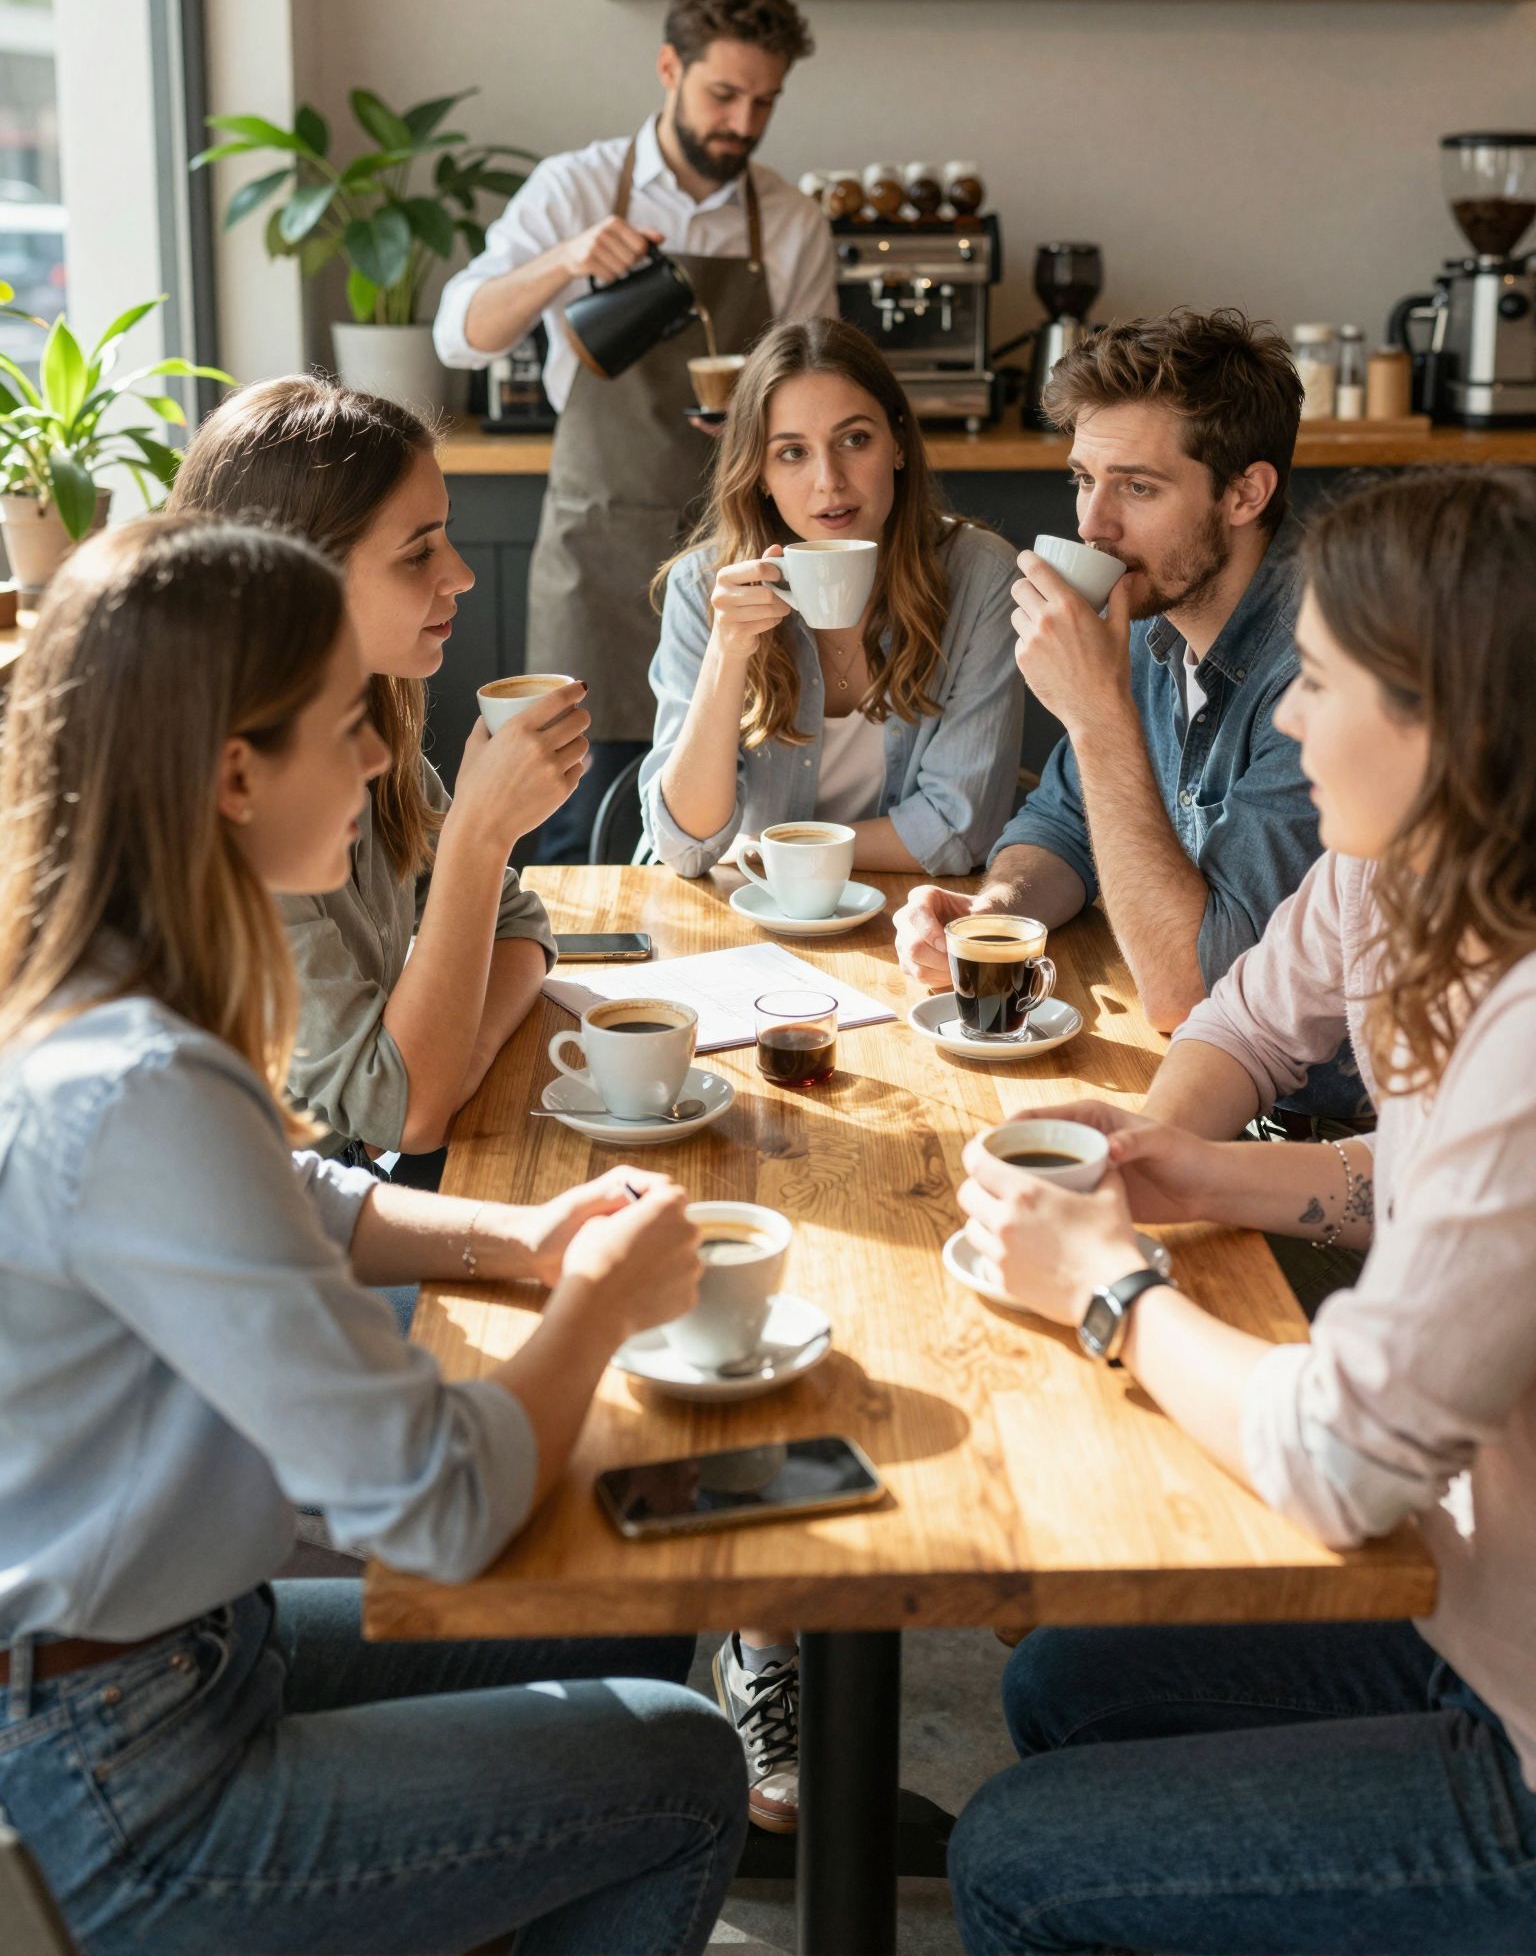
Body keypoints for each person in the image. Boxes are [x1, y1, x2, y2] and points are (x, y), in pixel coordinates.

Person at [0, 514, 745, 1956]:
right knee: (685, 1765)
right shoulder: (139, 1085)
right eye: (348, 726)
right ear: (235, 773)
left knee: (625, 1610)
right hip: (112, 1778)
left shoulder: (90, 991)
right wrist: (594, 1305)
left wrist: (525, 1237)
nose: (376, 760)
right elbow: (441, 1502)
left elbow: (294, 1195)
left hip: (172, 1661)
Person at [947, 467, 1536, 1956]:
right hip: (1474, 1602)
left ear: (1443, 722)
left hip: (1525, 1722)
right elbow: (1255, 1026)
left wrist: (1115, 1290)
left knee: (1016, 1858)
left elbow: (1340, 1455)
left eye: (1320, 682)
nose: (1289, 720)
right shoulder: (1404, 873)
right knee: (1063, 1682)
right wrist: (1175, 1160)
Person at [893, 307, 1367, 1128]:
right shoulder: (1150, 624)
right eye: (1084, 479)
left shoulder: (1321, 682)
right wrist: (999, 914)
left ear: (1245, 493)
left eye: (1138, 487)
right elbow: (1063, 824)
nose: (1092, 525)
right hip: (1199, 1098)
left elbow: (1192, 993)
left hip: (1319, 1135)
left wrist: (1095, 716)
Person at [434, 0, 837, 862]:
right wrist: (565, 260)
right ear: (668, 69)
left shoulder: (791, 222)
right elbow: (459, 335)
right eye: (724, 94)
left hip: (740, 555)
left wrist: (762, 423)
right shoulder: (573, 189)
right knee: (574, 817)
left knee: (724, 824)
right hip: (599, 551)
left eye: (764, 103)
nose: (742, 123)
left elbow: (818, 387)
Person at [171, 377, 580, 1172]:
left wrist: (454, 1069)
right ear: (300, 580)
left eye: (446, 538)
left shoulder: (371, 739)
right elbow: (408, 1109)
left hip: (349, 1189)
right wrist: (480, 831)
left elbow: (519, 926)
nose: (461, 575)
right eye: (418, 553)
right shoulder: (227, 810)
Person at [641, 316, 1024, 878]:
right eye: (792, 452)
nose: (829, 479)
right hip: (744, 907)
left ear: (898, 444)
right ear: (760, 473)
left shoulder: (982, 576)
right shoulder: (703, 585)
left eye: (855, 440)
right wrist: (728, 650)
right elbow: (686, 845)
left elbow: (959, 828)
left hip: (901, 906)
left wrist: (769, 852)